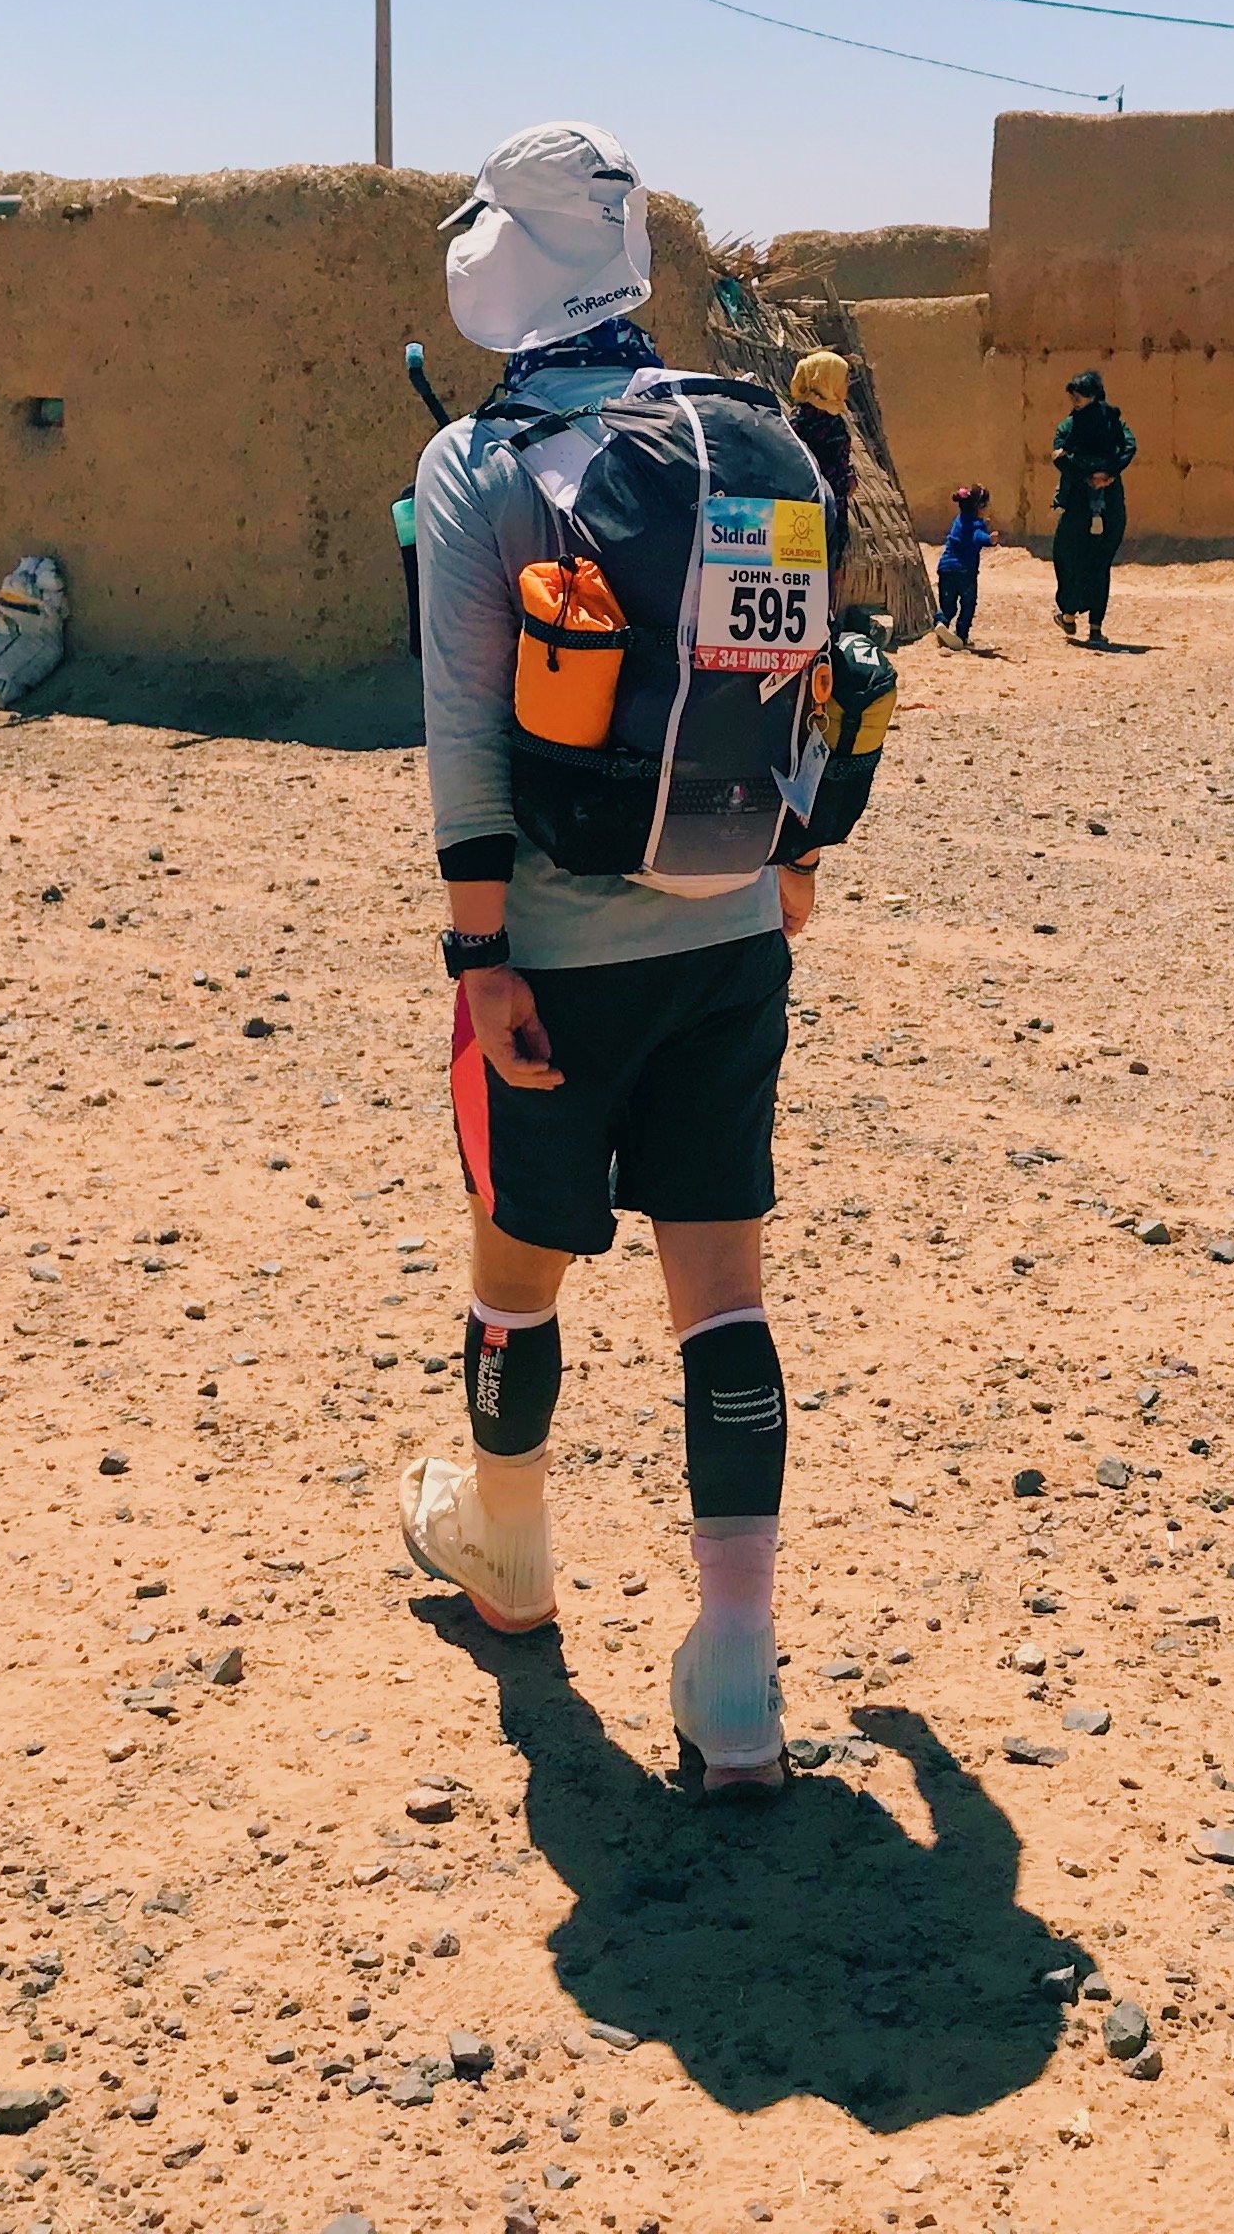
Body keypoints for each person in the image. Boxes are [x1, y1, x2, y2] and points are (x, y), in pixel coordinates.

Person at [398, 120, 818, 1794]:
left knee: (520, 1265)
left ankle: (506, 1548)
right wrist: (784, 861)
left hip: (557, 952)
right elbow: (795, 684)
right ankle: (734, 1665)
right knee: (721, 1293)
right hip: (728, 929)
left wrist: (479, 948)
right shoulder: (758, 443)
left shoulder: (478, 466)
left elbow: (458, 737)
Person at [1050, 368, 1135, 645]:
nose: (1075, 400)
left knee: (1081, 557)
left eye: (1080, 395)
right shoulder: (1100, 423)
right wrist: (1104, 474)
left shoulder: (1094, 423)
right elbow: (1059, 454)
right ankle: (1079, 618)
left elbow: (1061, 455)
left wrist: (1097, 475)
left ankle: (1080, 618)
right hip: (1097, 497)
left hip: (1085, 501)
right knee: (1083, 559)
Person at [786, 350, 857, 586]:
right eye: (844, 378)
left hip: (830, 513)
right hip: (811, 518)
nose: (847, 384)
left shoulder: (830, 416)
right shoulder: (804, 421)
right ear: (828, 379)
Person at [932, 481, 992, 649]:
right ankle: (961, 636)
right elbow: (977, 537)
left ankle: (941, 623)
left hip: (946, 568)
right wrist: (990, 540)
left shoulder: (958, 521)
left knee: (948, 604)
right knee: (968, 604)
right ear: (980, 506)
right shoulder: (977, 525)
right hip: (965, 572)